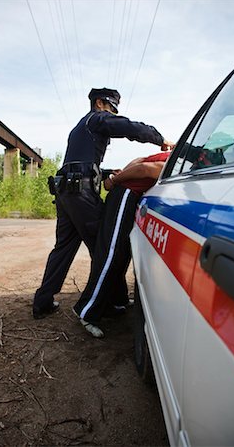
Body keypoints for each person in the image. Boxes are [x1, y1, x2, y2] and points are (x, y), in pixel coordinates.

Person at [33, 87, 174, 319]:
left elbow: (79, 161)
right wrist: (160, 139)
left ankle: (43, 302)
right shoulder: (96, 118)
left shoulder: (81, 127)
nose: (112, 114)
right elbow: (129, 127)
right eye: (111, 109)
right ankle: (113, 301)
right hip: (80, 194)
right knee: (107, 244)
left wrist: (106, 171)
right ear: (100, 103)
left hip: (66, 191)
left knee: (63, 248)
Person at [73, 151, 171, 337]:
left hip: (126, 195)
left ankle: (114, 302)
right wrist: (114, 180)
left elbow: (138, 161)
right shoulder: (171, 161)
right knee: (111, 253)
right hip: (125, 195)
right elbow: (142, 169)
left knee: (122, 253)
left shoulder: (163, 155)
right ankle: (86, 311)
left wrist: (117, 178)